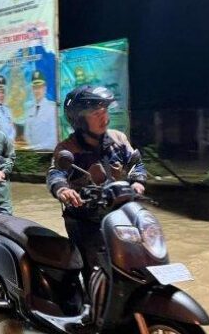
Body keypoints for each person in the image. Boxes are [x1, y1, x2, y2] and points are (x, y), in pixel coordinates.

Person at [46, 85, 147, 286]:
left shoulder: (118, 139)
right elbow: (56, 174)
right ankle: (93, 310)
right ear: (80, 119)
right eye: (95, 113)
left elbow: (136, 163)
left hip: (119, 214)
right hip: (84, 221)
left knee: (136, 262)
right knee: (94, 270)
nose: (103, 117)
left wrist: (137, 182)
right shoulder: (67, 149)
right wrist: (63, 190)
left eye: (105, 111)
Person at [24, 70, 57, 150]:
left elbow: (53, 138)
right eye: (35, 88)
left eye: (39, 87)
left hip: (48, 154)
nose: (37, 91)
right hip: (33, 156)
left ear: (45, 89)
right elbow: (27, 134)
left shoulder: (52, 109)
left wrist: (36, 148)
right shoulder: (29, 110)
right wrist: (32, 149)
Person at [0, 75, 16, 141]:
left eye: (2, 93)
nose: (1, 95)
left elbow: (13, 129)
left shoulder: (8, 110)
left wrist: (10, 140)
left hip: (9, 145)